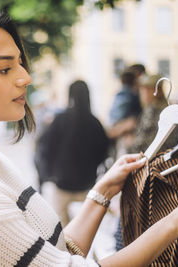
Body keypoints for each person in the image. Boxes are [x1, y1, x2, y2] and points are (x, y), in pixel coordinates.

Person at [0, 8, 178, 267]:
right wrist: (174, 223)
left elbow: (53, 254)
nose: (25, 77)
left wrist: (102, 192)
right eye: (4, 69)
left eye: (20, 64)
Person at [36, 80, 109, 226]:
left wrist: (48, 174)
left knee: (62, 231)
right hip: (87, 186)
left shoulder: (60, 119)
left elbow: (45, 147)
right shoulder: (95, 123)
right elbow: (103, 151)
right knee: (85, 227)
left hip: (62, 184)